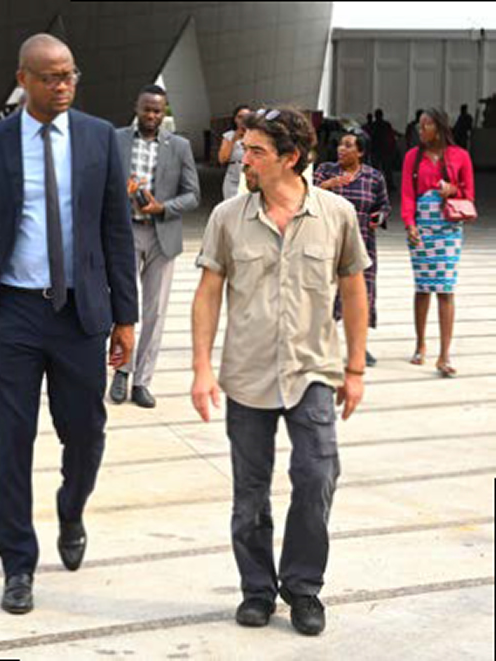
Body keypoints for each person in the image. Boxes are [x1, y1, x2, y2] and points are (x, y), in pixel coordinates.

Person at [0, 33, 137, 615]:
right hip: (15, 313)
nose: (63, 86)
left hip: (80, 313)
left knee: (86, 432)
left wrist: (126, 317)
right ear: (23, 79)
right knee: (9, 442)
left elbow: (116, 230)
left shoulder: (100, 138)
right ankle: (17, 565)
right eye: (50, 77)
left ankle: (71, 508)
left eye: (70, 75)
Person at [191, 108, 370, 637]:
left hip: (312, 370)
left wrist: (355, 368)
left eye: (256, 152)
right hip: (247, 374)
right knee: (250, 492)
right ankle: (256, 588)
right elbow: (208, 294)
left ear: (290, 158)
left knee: (317, 476)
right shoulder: (228, 217)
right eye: (245, 149)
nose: (244, 160)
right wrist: (201, 368)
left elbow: (354, 291)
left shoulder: (336, 215)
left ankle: (303, 586)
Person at [110, 84, 200, 407]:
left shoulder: (180, 146)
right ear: (137, 108)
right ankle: (121, 372)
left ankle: (142, 381)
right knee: (123, 306)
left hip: (162, 236)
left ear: (164, 113)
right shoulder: (116, 139)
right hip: (125, 233)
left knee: (155, 311)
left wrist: (163, 207)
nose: (151, 115)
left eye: (157, 110)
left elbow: (193, 195)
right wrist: (119, 193)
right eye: (146, 109)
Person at [401, 108, 475, 377]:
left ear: (440, 128)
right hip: (422, 227)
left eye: (426, 125)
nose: (421, 130)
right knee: (422, 288)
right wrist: (410, 224)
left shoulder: (460, 156)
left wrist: (452, 189)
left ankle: (444, 355)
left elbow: (469, 193)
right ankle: (420, 344)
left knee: (445, 289)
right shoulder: (412, 157)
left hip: (448, 229)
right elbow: (407, 194)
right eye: (419, 126)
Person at [315, 130, 391, 366]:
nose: (341, 149)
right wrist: (329, 185)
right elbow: (307, 195)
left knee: (361, 295)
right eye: (340, 144)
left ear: (360, 152)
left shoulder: (374, 177)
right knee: (325, 294)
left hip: (363, 244)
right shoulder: (325, 170)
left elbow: (383, 206)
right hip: (328, 242)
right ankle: (321, 346)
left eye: (348, 145)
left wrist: (379, 217)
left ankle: (359, 348)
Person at [219, 105, 251, 200]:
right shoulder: (229, 136)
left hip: (249, 175)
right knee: (230, 204)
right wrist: (234, 139)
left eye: (246, 117)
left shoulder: (256, 134)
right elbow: (222, 159)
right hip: (232, 177)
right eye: (240, 117)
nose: (243, 120)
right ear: (235, 119)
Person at [369, 109, 396, 189]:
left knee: (376, 168)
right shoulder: (385, 125)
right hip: (384, 149)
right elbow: (391, 136)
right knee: (387, 168)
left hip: (376, 149)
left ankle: (375, 184)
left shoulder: (373, 125)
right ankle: (389, 184)